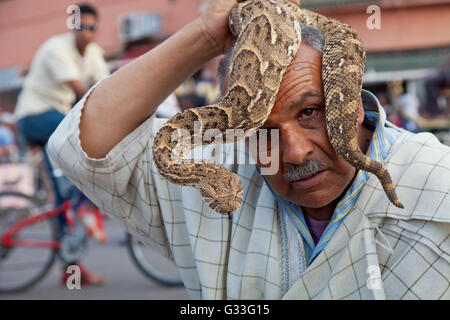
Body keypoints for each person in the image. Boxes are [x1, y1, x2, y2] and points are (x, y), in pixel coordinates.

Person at [47, 0, 450, 299]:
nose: (291, 152)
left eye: (310, 111)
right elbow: (86, 147)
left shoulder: (434, 180)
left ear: (351, 101)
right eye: (261, 130)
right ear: (238, 135)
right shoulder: (221, 168)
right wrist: (206, 35)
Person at [14, 3, 109, 285]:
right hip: (34, 117)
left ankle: (71, 268)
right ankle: (89, 202)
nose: (87, 33)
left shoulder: (94, 54)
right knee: (83, 133)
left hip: (57, 123)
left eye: (92, 27)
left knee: (62, 196)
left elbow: (107, 87)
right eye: (82, 27)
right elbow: (82, 92)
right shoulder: (57, 48)